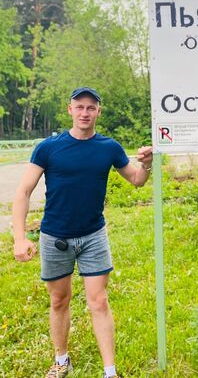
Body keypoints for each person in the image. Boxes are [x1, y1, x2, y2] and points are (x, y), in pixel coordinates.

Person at [12, 87, 153, 378]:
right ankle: (61, 361)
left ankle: (110, 372)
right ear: (70, 110)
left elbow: (137, 180)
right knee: (59, 300)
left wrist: (146, 164)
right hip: (55, 236)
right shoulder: (48, 148)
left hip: (93, 236)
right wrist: (20, 238)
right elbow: (23, 192)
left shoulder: (109, 147)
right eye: (79, 107)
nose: (85, 113)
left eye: (91, 107)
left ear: (98, 111)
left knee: (98, 301)